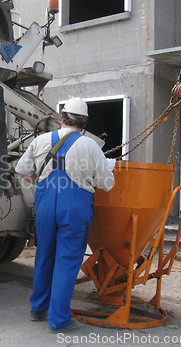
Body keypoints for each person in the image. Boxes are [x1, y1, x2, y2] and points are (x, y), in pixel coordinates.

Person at [15, 96, 115, 333]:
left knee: (44, 256)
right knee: (67, 262)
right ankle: (59, 320)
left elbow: (22, 171)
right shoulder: (90, 145)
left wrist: (40, 185)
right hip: (75, 207)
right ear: (85, 122)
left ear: (61, 118)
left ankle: (37, 309)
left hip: (46, 204)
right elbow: (107, 184)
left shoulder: (40, 140)